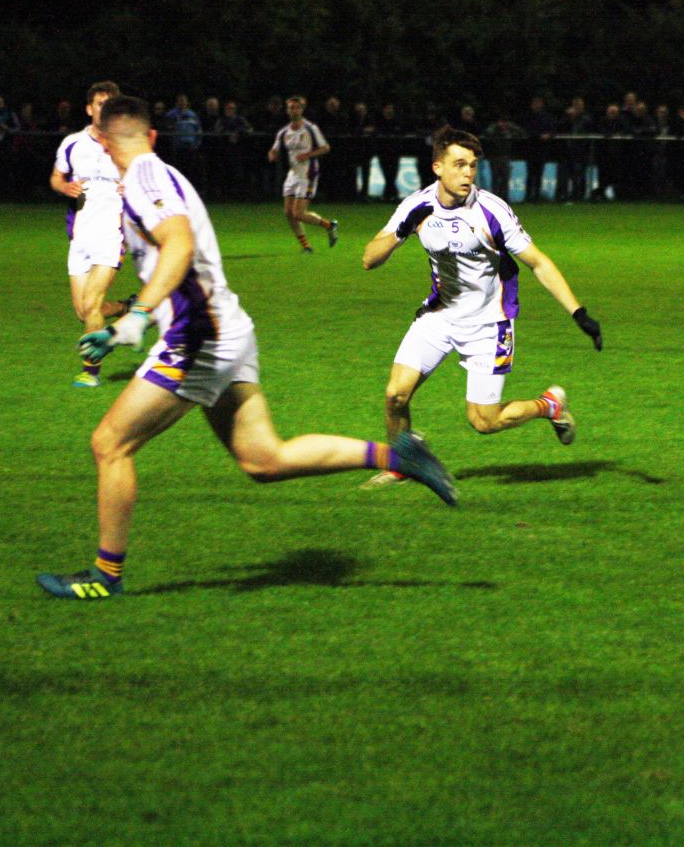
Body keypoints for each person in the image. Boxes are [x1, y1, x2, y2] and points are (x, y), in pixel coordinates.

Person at [37, 95, 456, 600]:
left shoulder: (146, 179)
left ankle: (105, 577)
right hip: (227, 331)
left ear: (101, 143)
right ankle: (401, 456)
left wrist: (139, 316)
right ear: (152, 134)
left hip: (200, 340)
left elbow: (179, 244)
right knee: (264, 460)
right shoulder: (159, 174)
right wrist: (133, 318)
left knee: (110, 443)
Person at [359, 125, 603, 488]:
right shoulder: (416, 205)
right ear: (437, 167)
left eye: (472, 165)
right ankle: (403, 464)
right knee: (395, 395)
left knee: (484, 422)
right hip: (439, 316)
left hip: (489, 325)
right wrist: (399, 233)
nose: (468, 173)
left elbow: (538, 262)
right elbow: (368, 259)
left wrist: (578, 312)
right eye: (459, 165)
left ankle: (549, 405)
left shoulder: (491, 211)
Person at [50, 81, 132, 388]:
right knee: (83, 310)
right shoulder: (73, 144)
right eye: (99, 104)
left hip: (112, 235)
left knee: (93, 306)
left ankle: (90, 371)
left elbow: (146, 179)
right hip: (79, 235)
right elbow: (56, 178)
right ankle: (128, 308)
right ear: (89, 108)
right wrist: (65, 187)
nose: (104, 110)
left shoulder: (126, 144)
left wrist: (132, 186)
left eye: (110, 105)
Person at [267, 95, 337, 253]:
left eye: (297, 107)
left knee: (298, 213)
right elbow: (274, 149)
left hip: (308, 173)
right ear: (287, 110)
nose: (294, 110)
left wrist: (308, 155)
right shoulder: (284, 132)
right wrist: (272, 154)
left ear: (302, 109)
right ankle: (306, 246)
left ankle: (329, 226)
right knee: (288, 212)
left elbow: (325, 148)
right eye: (291, 107)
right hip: (293, 174)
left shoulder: (310, 128)